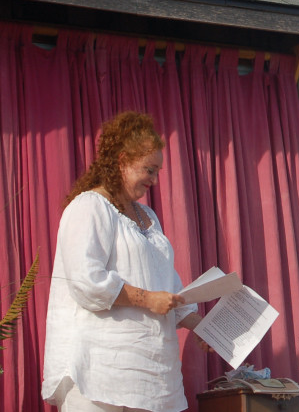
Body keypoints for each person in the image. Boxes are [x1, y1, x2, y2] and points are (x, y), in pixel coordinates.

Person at [42, 112, 204, 412]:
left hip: (153, 376)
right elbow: (86, 282)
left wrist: (201, 326)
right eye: (149, 169)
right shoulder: (89, 206)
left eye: (158, 171)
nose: (154, 180)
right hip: (103, 373)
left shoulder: (148, 218)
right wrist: (148, 299)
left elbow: (167, 285)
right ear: (122, 160)